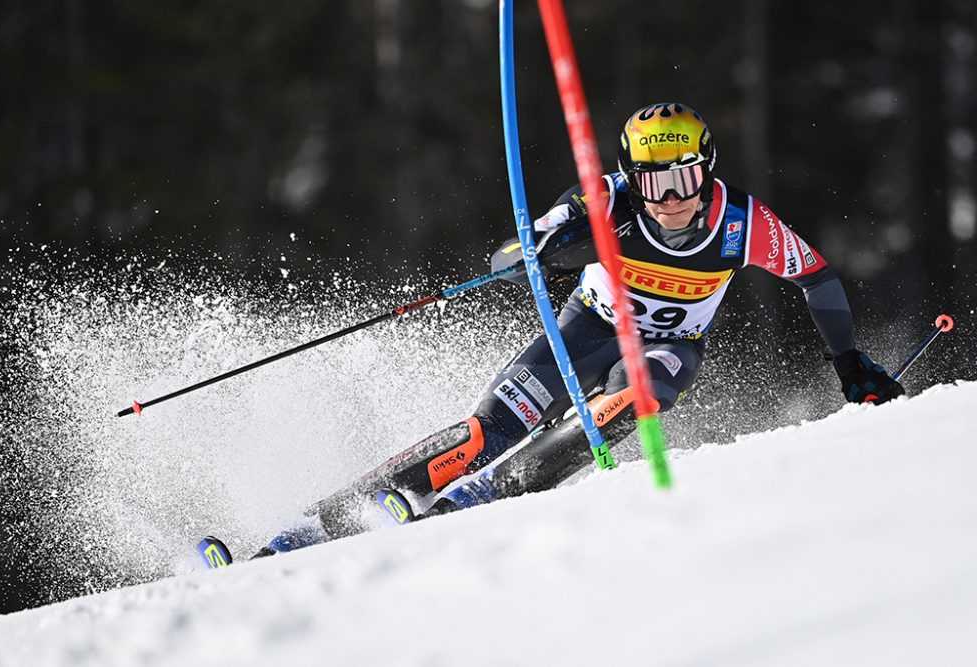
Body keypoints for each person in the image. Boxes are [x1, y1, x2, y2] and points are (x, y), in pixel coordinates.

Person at [251, 102, 905, 558]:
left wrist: (847, 359)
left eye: (686, 177)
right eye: (656, 180)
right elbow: (510, 254)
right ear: (633, 174)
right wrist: (543, 253)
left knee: (639, 392)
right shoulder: (606, 199)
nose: (672, 197)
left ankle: (493, 491)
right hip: (587, 329)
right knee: (487, 429)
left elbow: (816, 275)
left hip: (667, 348)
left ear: (707, 170)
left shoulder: (742, 223)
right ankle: (328, 514)